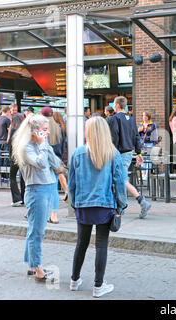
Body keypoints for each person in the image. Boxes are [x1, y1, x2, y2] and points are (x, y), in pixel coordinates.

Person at [68, 116, 127, 298]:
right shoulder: (113, 153)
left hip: (83, 205)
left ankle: (74, 280)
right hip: (105, 205)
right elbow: (119, 183)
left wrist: (74, 204)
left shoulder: (78, 153)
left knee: (81, 243)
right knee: (101, 245)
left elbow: (72, 184)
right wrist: (121, 206)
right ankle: (98, 286)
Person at [12, 114, 61, 281]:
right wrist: (42, 145)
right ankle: (38, 268)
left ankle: (32, 265)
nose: (47, 133)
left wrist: (45, 145)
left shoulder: (42, 144)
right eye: (44, 130)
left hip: (47, 187)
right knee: (37, 232)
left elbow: (55, 163)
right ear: (34, 130)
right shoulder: (26, 147)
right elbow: (40, 164)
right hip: (36, 191)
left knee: (34, 230)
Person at [108, 96, 151, 218]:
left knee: (121, 180)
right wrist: (138, 153)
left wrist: (111, 152)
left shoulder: (114, 119)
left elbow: (114, 138)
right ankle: (121, 207)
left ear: (116, 105)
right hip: (128, 153)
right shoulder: (131, 119)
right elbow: (136, 136)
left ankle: (140, 201)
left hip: (118, 153)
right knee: (120, 179)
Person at [41, 107, 67, 224]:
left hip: (44, 163)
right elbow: (62, 147)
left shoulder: (41, 129)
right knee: (54, 189)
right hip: (56, 161)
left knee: (44, 189)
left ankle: (45, 214)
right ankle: (54, 215)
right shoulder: (59, 128)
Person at [7, 114, 25, 207]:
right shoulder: (24, 131)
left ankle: (16, 198)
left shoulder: (13, 131)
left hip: (14, 157)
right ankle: (24, 198)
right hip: (23, 158)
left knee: (12, 177)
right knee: (24, 178)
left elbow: (9, 145)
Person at [0, 105, 12, 176]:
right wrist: (8, 140)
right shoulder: (7, 120)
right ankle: (6, 176)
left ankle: (2, 175)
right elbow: (9, 131)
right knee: (6, 159)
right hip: (5, 141)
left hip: (0, 140)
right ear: (8, 111)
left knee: (1, 158)